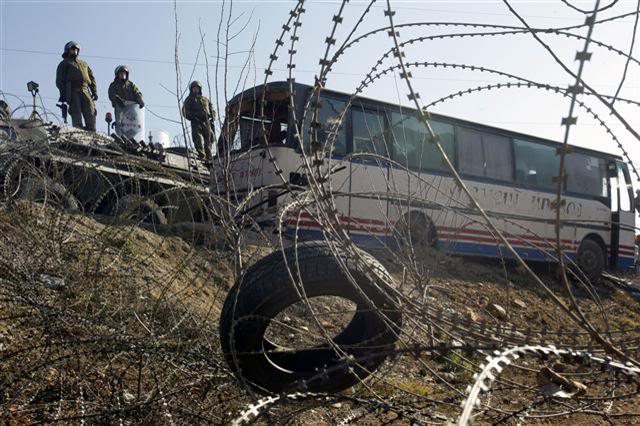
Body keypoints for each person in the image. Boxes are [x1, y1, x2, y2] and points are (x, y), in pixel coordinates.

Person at [55, 41, 98, 131]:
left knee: (90, 111)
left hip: (86, 90)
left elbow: (91, 77)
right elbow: (60, 80)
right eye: (73, 49)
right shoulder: (64, 63)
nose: (75, 51)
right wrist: (63, 93)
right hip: (73, 90)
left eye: (76, 49)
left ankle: (91, 131)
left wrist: (94, 91)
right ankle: (78, 131)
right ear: (68, 50)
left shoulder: (83, 63)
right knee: (76, 112)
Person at [182, 81, 215, 160]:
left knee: (210, 139)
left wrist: (213, 116)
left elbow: (212, 109)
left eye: (197, 88)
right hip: (196, 122)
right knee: (198, 139)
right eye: (194, 88)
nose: (195, 90)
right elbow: (185, 111)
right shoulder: (189, 99)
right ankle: (202, 155)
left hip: (206, 122)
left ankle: (209, 156)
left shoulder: (205, 99)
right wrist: (192, 117)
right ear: (191, 89)